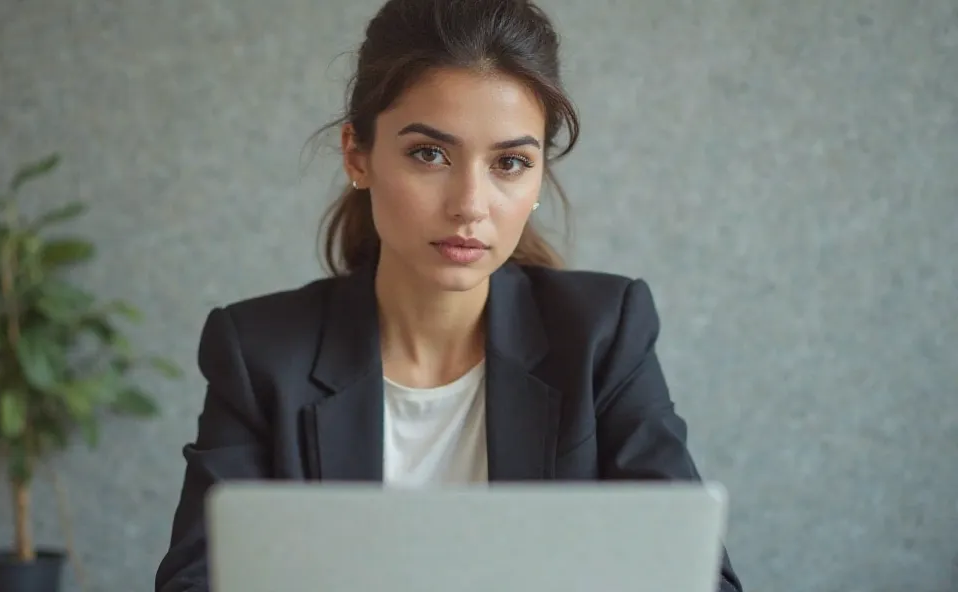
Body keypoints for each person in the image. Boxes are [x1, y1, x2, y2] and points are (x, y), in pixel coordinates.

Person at [155, 0, 744, 590]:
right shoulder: (259, 352)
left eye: (510, 162)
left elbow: (698, 578)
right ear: (357, 155)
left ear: (539, 177)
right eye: (429, 154)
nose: (469, 203)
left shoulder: (602, 335)